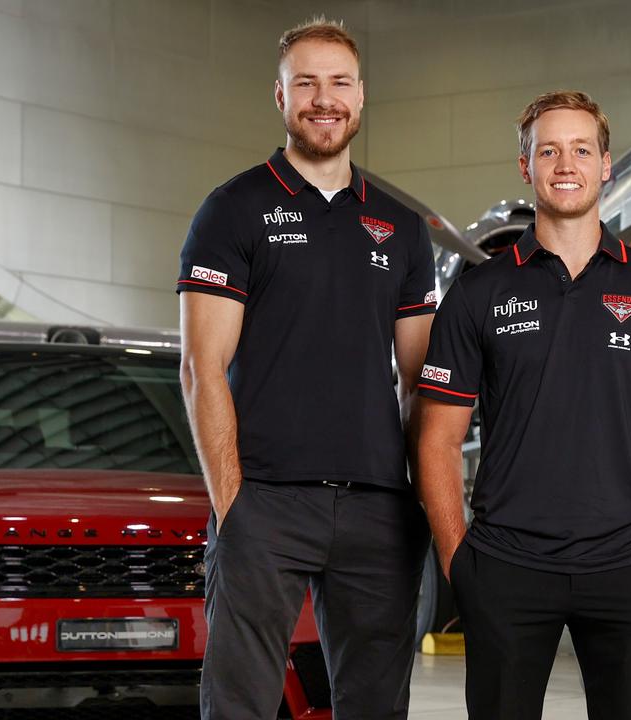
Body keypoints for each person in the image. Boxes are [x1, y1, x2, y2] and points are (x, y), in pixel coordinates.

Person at [416, 90, 631, 720]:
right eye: (547, 150)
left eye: (582, 149)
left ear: (606, 165)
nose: (565, 164)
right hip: (505, 568)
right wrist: (458, 562)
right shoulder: (478, 293)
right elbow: (437, 440)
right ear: (525, 166)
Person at [177, 17, 436, 720]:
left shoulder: (402, 228)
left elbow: (423, 384)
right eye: (308, 83)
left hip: (379, 508)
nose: (325, 99)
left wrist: (428, 504)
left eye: (340, 83)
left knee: (375, 705)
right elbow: (203, 367)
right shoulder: (232, 210)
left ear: (361, 96)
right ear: (280, 95)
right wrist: (233, 508)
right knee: (241, 707)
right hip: (264, 501)